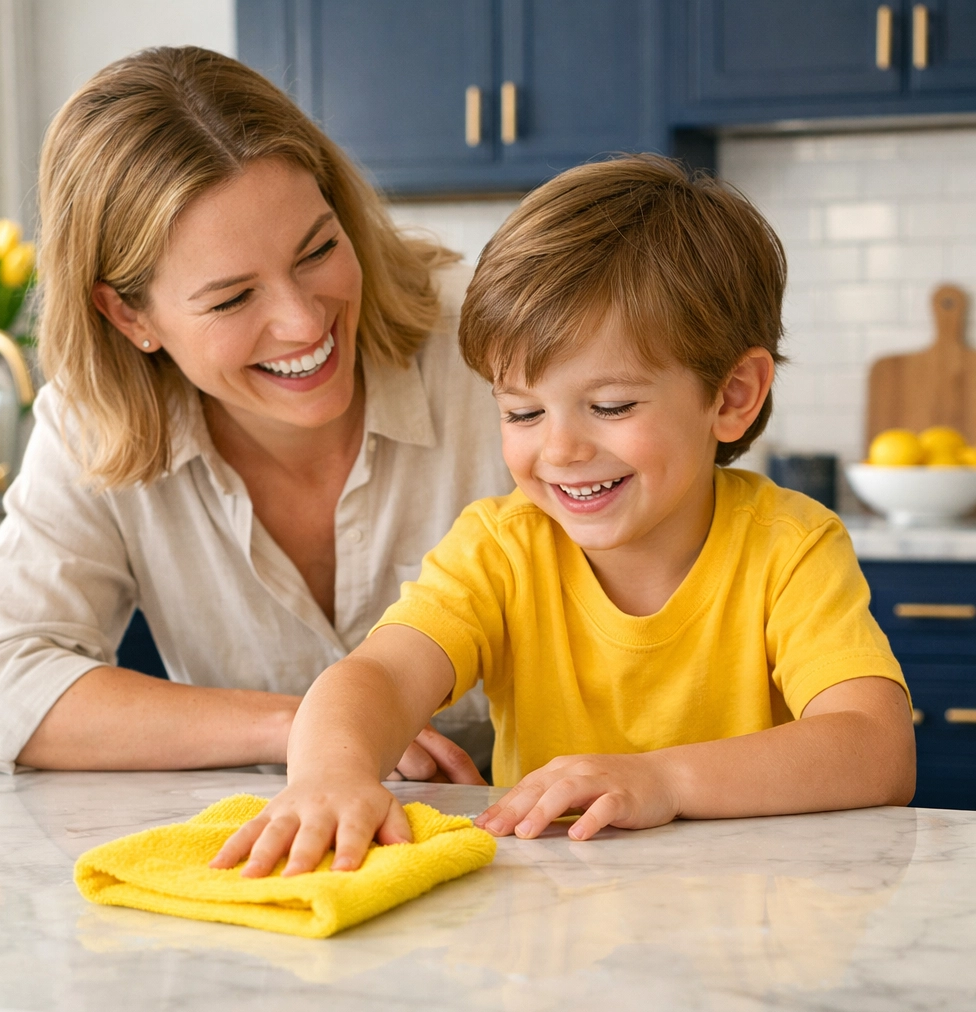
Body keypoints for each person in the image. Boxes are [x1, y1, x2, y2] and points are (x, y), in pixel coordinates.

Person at [210, 155, 916, 879]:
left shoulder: (790, 548)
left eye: (610, 406)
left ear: (733, 396)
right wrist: (331, 771)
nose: (561, 449)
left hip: (748, 910)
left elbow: (874, 746)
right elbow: (381, 677)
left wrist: (664, 781)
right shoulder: (500, 548)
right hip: (547, 920)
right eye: (522, 411)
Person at [0, 47, 512, 777]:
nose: (304, 324)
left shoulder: (494, 343)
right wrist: (313, 725)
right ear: (128, 316)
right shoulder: (95, 423)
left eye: (316, 251)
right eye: (232, 298)